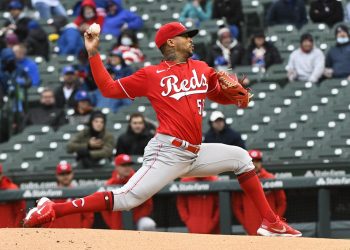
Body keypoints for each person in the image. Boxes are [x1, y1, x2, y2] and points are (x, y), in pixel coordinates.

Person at [23, 21, 301, 237]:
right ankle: (53, 208)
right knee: (127, 199)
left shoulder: (202, 68)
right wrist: (93, 52)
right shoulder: (150, 75)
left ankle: (272, 222)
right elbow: (108, 89)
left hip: (195, 152)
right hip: (167, 152)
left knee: (241, 157)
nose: (191, 39)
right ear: (171, 42)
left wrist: (235, 93)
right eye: (185, 36)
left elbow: (216, 95)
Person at [232, 150, 287, 235]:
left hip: (270, 229)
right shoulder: (241, 180)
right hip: (251, 227)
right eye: (252, 161)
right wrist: (246, 224)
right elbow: (237, 207)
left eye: (257, 161)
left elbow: (281, 202)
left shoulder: (271, 178)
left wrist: (276, 222)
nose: (255, 164)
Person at [101, 154, 155, 230]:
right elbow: (105, 210)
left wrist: (133, 219)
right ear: (116, 167)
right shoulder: (109, 184)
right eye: (123, 165)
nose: (127, 168)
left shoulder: (139, 181)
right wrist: (113, 223)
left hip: (137, 220)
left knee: (148, 224)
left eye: (129, 165)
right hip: (116, 222)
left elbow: (148, 205)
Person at [43, 162, 94, 228]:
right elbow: (45, 219)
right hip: (56, 236)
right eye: (62, 174)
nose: (65, 176)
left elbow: (89, 217)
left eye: (67, 173)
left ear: (72, 174)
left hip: (76, 236)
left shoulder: (79, 193)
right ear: (57, 175)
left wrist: (82, 232)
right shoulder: (50, 196)